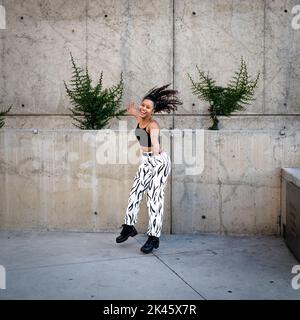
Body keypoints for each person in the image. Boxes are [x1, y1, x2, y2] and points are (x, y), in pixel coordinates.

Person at [116, 84, 182, 254]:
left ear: (153, 111)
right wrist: (131, 110)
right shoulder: (140, 118)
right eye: (142, 105)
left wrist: (157, 148)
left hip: (158, 162)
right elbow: (136, 114)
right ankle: (129, 226)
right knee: (135, 193)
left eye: (148, 107)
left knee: (154, 199)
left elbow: (154, 140)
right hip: (146, 161)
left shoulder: (153, 125)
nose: (143, 108)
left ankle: (154, 238)